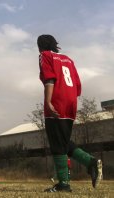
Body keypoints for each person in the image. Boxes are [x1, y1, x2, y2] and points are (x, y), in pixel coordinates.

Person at [37, 34, 103, 192]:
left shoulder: (45, 56)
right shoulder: (69, 60)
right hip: (71, 102)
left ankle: (64, 184)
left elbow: (50, 80)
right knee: (63, 142)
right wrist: (69, 101)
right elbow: (78, 86)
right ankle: (90, 162)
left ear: (41, 46)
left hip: (57, 100)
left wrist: (48, 102)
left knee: (57, 144)